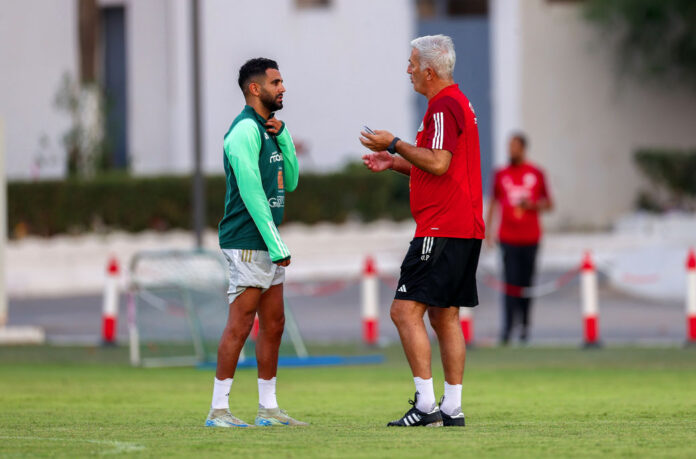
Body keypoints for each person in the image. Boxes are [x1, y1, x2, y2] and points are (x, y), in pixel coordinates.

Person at [361, 34, 484, 428]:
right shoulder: (456, 101)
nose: (408, 69)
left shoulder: (444, 105)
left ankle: (427, 405)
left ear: (430, 70)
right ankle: (452, 407)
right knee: (444, 316)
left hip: (442, 226)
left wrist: (394, 143)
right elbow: (440, 166)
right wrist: (394, 162)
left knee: (402, 311)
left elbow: (438, 163)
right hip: (463, 225)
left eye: (413, 63)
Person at [205, 57, 307, 428]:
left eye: (282, 81)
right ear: (255, 89)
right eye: (276, 82)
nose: (282, 88)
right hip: (248, 241)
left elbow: (291, 182)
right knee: (240, 324)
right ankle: (218, 411)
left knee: (275, 323)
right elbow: (251, 194)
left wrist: (284, 136)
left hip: (267, 241)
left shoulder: (269, 130)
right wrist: (276, 244)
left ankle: (268, 409)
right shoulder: (243, 132)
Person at [485, 133, 553, 345]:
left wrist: (531, 205)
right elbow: (494, 202)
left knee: (526, 283)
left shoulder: (536, 173)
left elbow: (548, 203)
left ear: (523, 149)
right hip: (508, 238)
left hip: (531, 238)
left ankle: (524, 326)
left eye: (515, 147)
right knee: (509, 283)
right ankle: (507, 328)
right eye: (509, 146)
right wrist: (488, 230)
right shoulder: (500, 174)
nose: (510, 151)